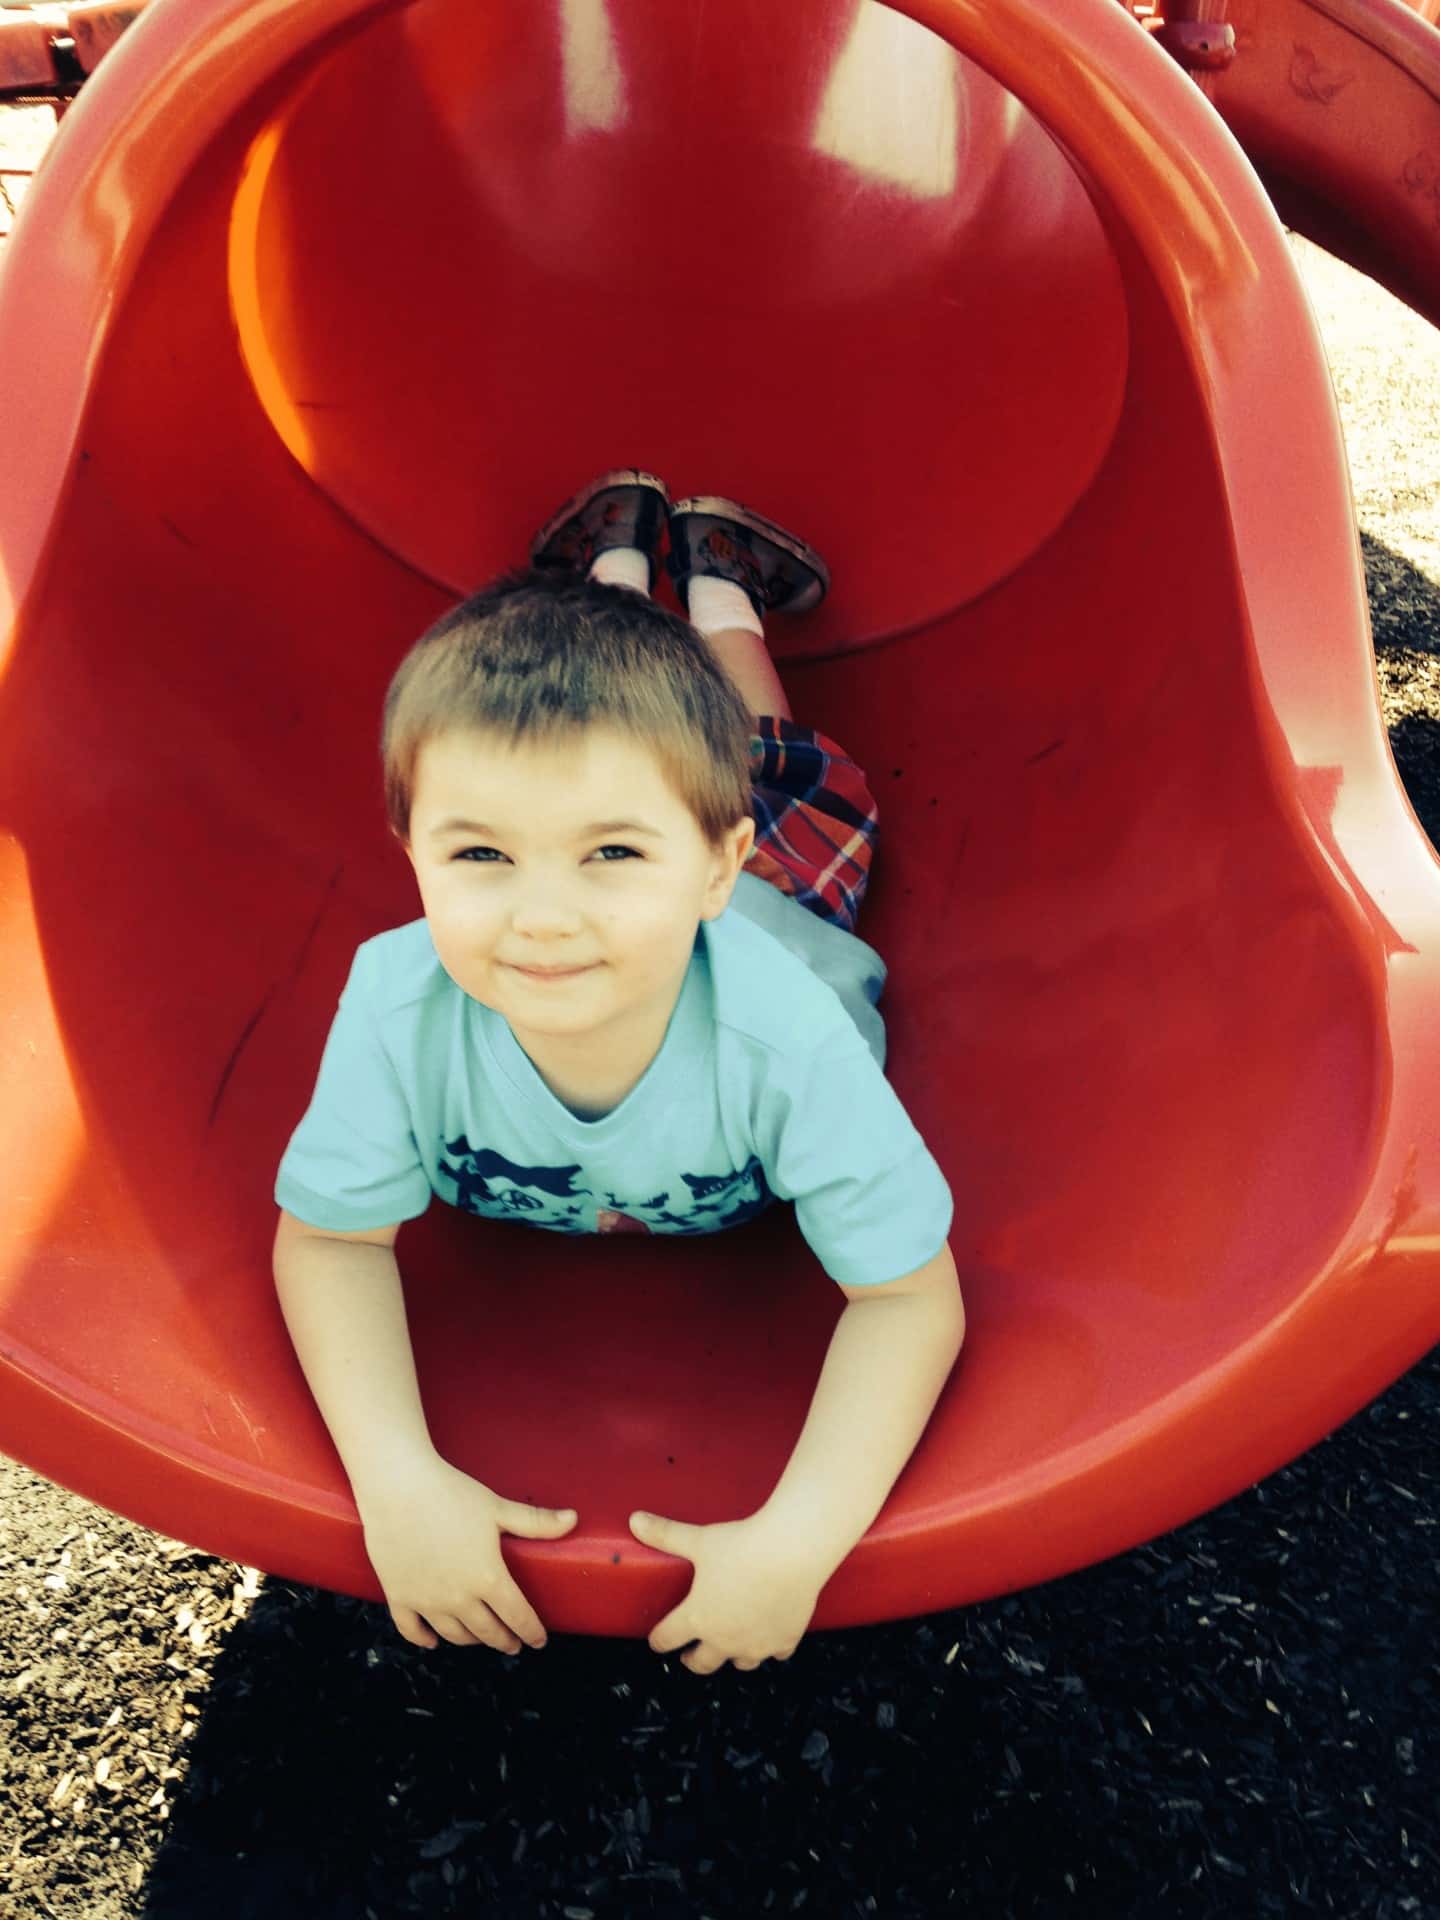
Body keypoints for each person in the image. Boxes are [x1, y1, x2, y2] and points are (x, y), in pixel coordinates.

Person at [272, 471, 965, 1674]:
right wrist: (395, 1481)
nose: (545, 917)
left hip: (784, 896)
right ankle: (620, 568)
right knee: (630, 742)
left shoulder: (783, 1031)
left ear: (707, 871)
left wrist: (799, 1543)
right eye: (479, 850)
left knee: (776, 757)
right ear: (411, 853)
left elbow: (910, 1299)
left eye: (610, 853)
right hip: (696, 863)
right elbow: (329, 1241)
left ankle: (715, 582)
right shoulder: (398, 999)